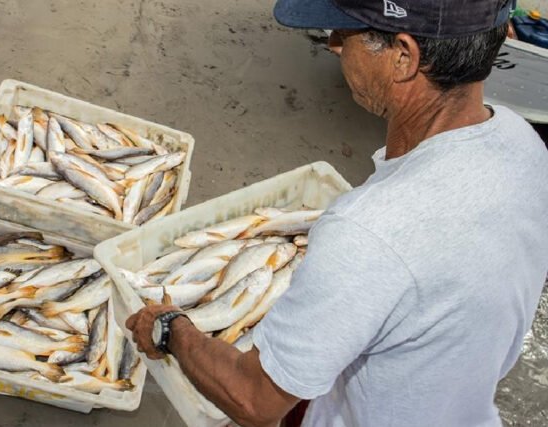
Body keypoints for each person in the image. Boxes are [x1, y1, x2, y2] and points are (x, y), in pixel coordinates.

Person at [125, 0, 548, 426]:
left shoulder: (368, 229)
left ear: (403, 56)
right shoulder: (524, 146)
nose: (332, 46)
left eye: (345, 34)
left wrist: (170, 329)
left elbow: (254, 400)